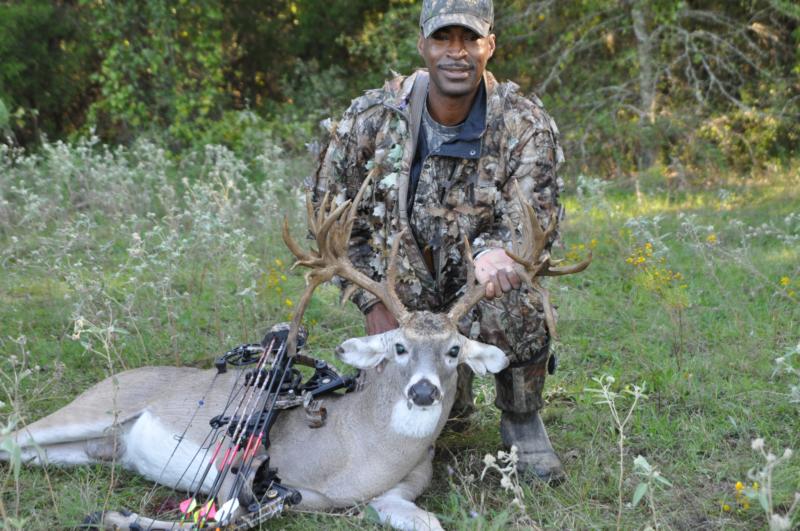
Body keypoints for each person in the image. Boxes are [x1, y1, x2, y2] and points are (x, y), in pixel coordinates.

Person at [310, 0, 567, 482]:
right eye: (443, 39)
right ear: (422, 45)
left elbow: (538, 214)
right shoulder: (369, 119)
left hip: (480, 287)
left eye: (469, 39)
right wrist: (371, 302)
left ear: (489, 46)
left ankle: (521, 415)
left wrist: (497, 250)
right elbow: (332, 220)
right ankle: (450, 393)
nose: (456, 53)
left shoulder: (523, 123)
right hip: (404, 291)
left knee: (517, 296)